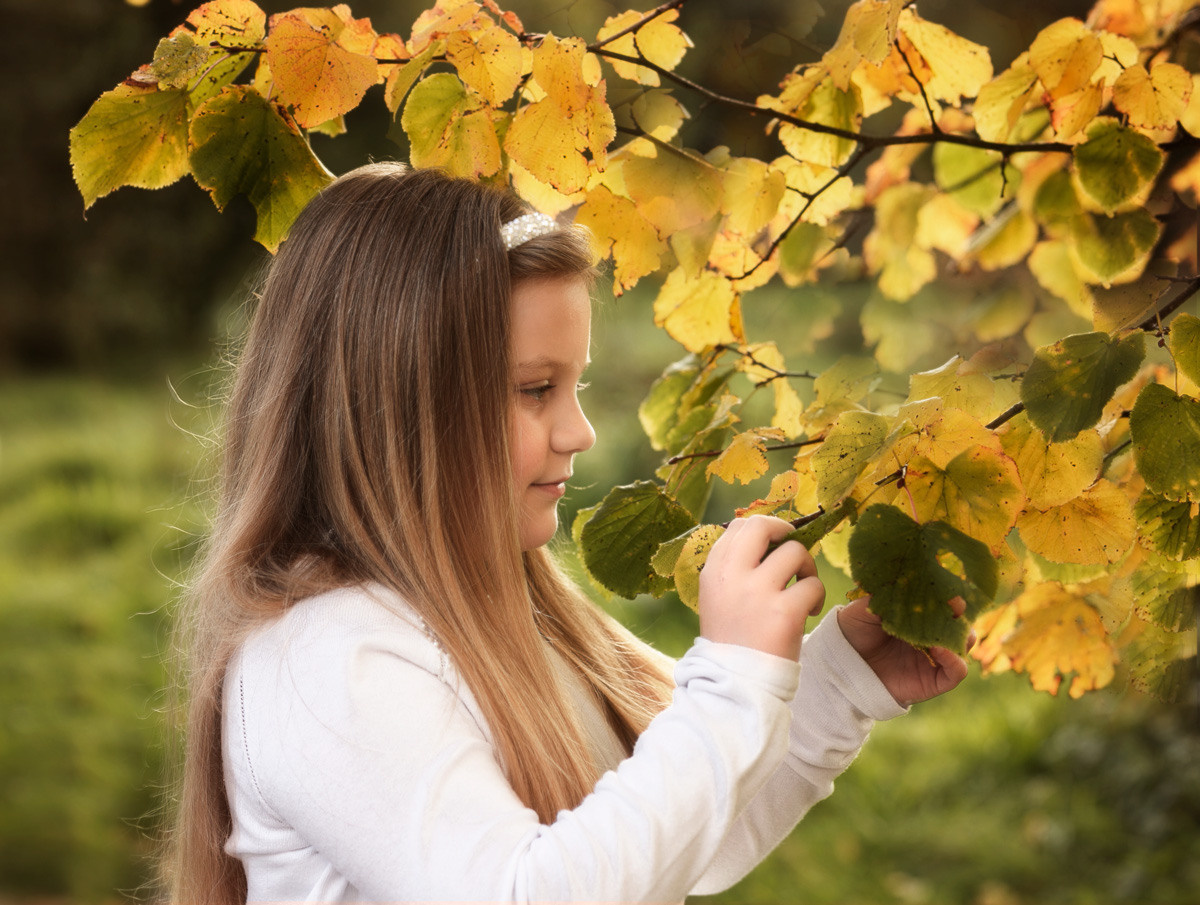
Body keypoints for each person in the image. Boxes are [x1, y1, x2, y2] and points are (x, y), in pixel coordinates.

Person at [165, 162, 970, 904]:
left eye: (573, 384)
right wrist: (731, 680)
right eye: (535, 389)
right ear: (395, 405)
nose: (579, 430)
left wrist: (833, 682)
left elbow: (672, 841)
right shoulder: (328, 658)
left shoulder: (508, 610)